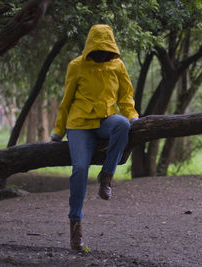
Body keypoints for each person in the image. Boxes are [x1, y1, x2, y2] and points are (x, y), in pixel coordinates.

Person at [50, 24, 139, 251]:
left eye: (105, 49)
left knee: (122, 124)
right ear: (90, 47)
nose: (101, 54)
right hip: (79, 125)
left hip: (105, 122)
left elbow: (125, 95)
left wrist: (132, 116)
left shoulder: (118, 65)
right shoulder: (76, 66)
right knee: (79, 169)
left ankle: (106, 176)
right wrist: (58, 132)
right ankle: (75, 225)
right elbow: (66, 100)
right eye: (97, 49)